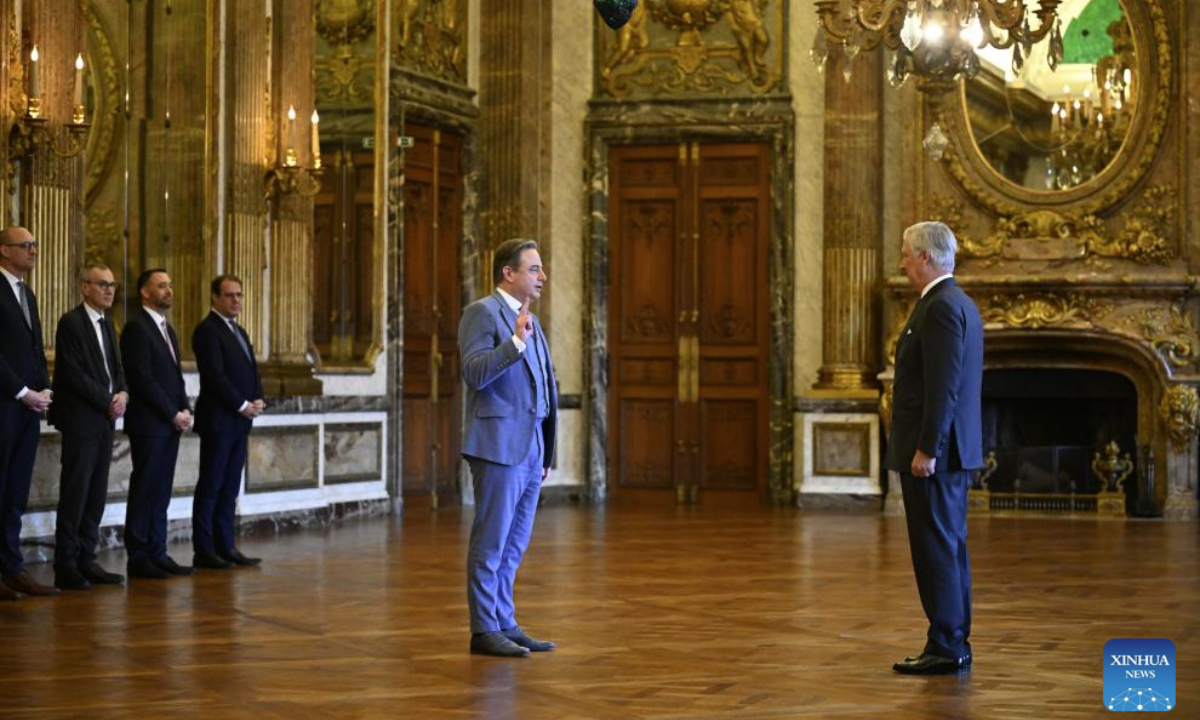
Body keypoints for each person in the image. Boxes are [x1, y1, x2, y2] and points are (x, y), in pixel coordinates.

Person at [887, 221, 984, 675]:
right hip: (945, 453)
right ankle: (951, 640)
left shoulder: (941, 307)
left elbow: (943, 388)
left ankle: (946, 644)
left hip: (936, 457)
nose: (902, 263)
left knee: (936, 549)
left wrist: (927, 448)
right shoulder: (953, 302)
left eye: (906, 254)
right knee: (946, 547)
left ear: (926, 257)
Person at [459, 237, 558, 658]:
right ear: (509, 273)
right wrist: (514, 344)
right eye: (534, 269)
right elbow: (474, 374)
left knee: (515, 544)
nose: (542, 277)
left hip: (531, 449)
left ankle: (504, 622)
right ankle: (484, 629)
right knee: (492, 541)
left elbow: (545, 386)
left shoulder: (529, 317)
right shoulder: (482, 312)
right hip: (498, 446)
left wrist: (547, 452)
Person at [48, 265, 128, 590]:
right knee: (76, 491)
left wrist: (122, 392)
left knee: (96, 493)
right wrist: (108, 399)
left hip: (104, 420)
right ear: (84, 287)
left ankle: (86, 557)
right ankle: (65, 563)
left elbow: (117, 368)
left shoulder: (108, 323)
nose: (109, 290)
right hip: (82, 419)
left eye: (113, 285)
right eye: (102, 284)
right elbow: (72, 372)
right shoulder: (71, 322)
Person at [121, 269, 194, 579]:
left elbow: (173, 377)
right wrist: (171, 413)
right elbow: (143, 380)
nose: (168, 290)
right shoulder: (137, 327)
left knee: (162, 489)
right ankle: (139, 556)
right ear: (145, 293)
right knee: (146, 487)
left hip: (169, 422)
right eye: (161, 286)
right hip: (150, 423)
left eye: (170, 285)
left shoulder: (167, 328)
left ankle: (157, 551)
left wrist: (185, 407)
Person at [191, 275, 264, 570]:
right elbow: (215, 376)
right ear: (215, 299)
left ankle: (226, 545)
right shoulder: (207, 330)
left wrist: (258, 398)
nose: (236, 300)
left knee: (230, 487)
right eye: (230, 295)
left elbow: (251, 370)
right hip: (219, 421)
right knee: (211, 485)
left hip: (239, 422)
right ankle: (205, 549)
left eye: (239, 295)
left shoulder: (239, 331)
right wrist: (242, 404)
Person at [0, 226, 57, 598]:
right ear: (4, 250)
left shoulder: (27, 293)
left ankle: (11, 568)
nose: (34, 250)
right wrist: (22, 391)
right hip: (4, 404)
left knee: (16, 492)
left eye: (35, 244)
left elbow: (36, 348)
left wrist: (44, 387)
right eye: (26, 245)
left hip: (28, 408)